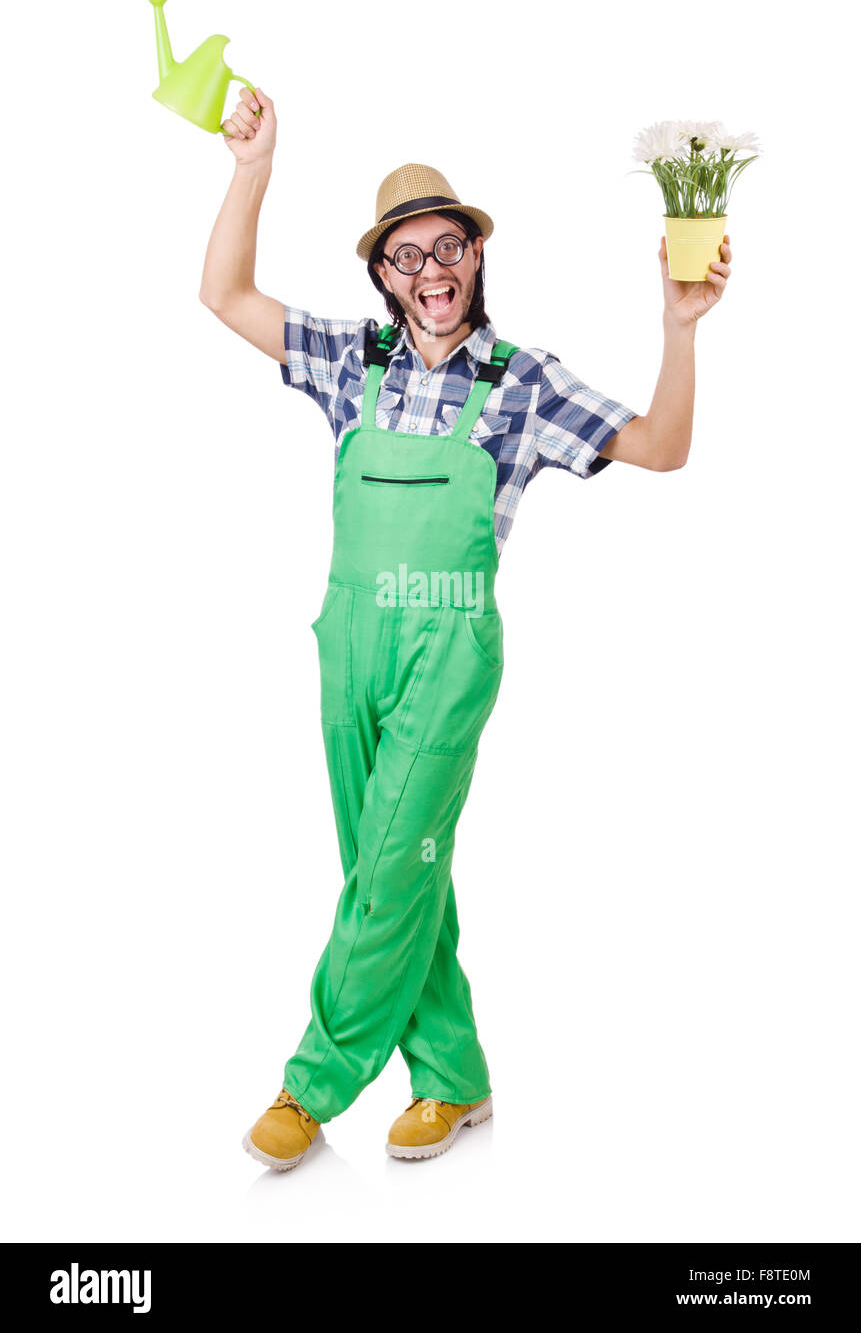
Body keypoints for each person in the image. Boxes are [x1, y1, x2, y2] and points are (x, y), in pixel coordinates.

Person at [199, 86, 732, 1171]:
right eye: (407, 256)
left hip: (448, 650)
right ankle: (453, 1077)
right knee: (393, 868)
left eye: (450, 247)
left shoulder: (521, 381)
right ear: (382, 274)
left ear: (477, 255)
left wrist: (678, 329)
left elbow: (662, 445)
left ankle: (311, 1084)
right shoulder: (353, 359)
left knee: (392, 864)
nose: (432, 271)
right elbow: (223, 294)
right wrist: (252, 169)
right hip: (348, 641)